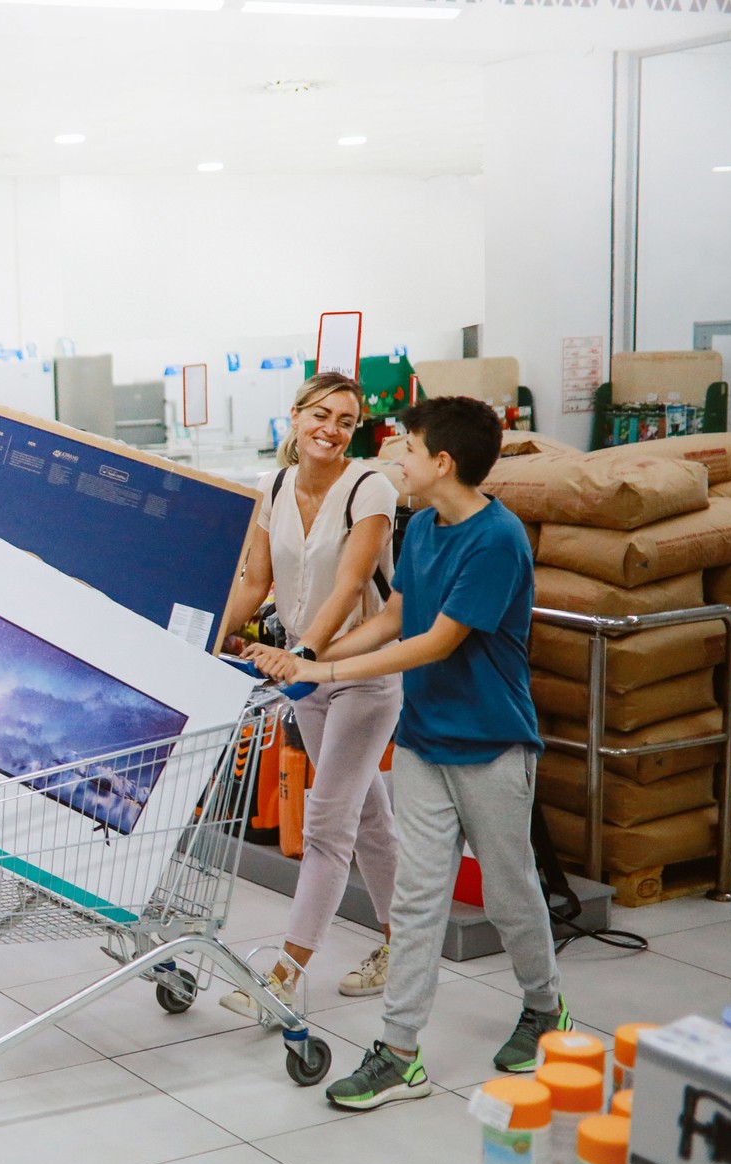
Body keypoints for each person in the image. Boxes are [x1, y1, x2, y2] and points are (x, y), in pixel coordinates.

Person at [248, 395, 570, 1111]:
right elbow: (395, 615)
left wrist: (323, 671)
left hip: (491, 745)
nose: (397, 459)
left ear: (442, 462)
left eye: (409, 449)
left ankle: (545, 1005)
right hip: (425, 741)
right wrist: (308, 656)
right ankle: (398, 1052)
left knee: (509, 891)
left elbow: (435, 641)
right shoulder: (422, 527)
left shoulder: (497, 541)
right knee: (419, 903)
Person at [218, 372, 402, 1020]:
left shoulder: (369, 487)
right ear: (295, 417)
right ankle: (401, 945)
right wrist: (211, 636)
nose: (331, 428)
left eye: (346, 420)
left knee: (327, 825)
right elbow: (255, 580)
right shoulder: (272, 488)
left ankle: (285, 976)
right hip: (306, 677)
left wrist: (304, 657)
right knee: (370, 816)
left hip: (360, 674)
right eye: (321, 414)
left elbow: (353, 585)